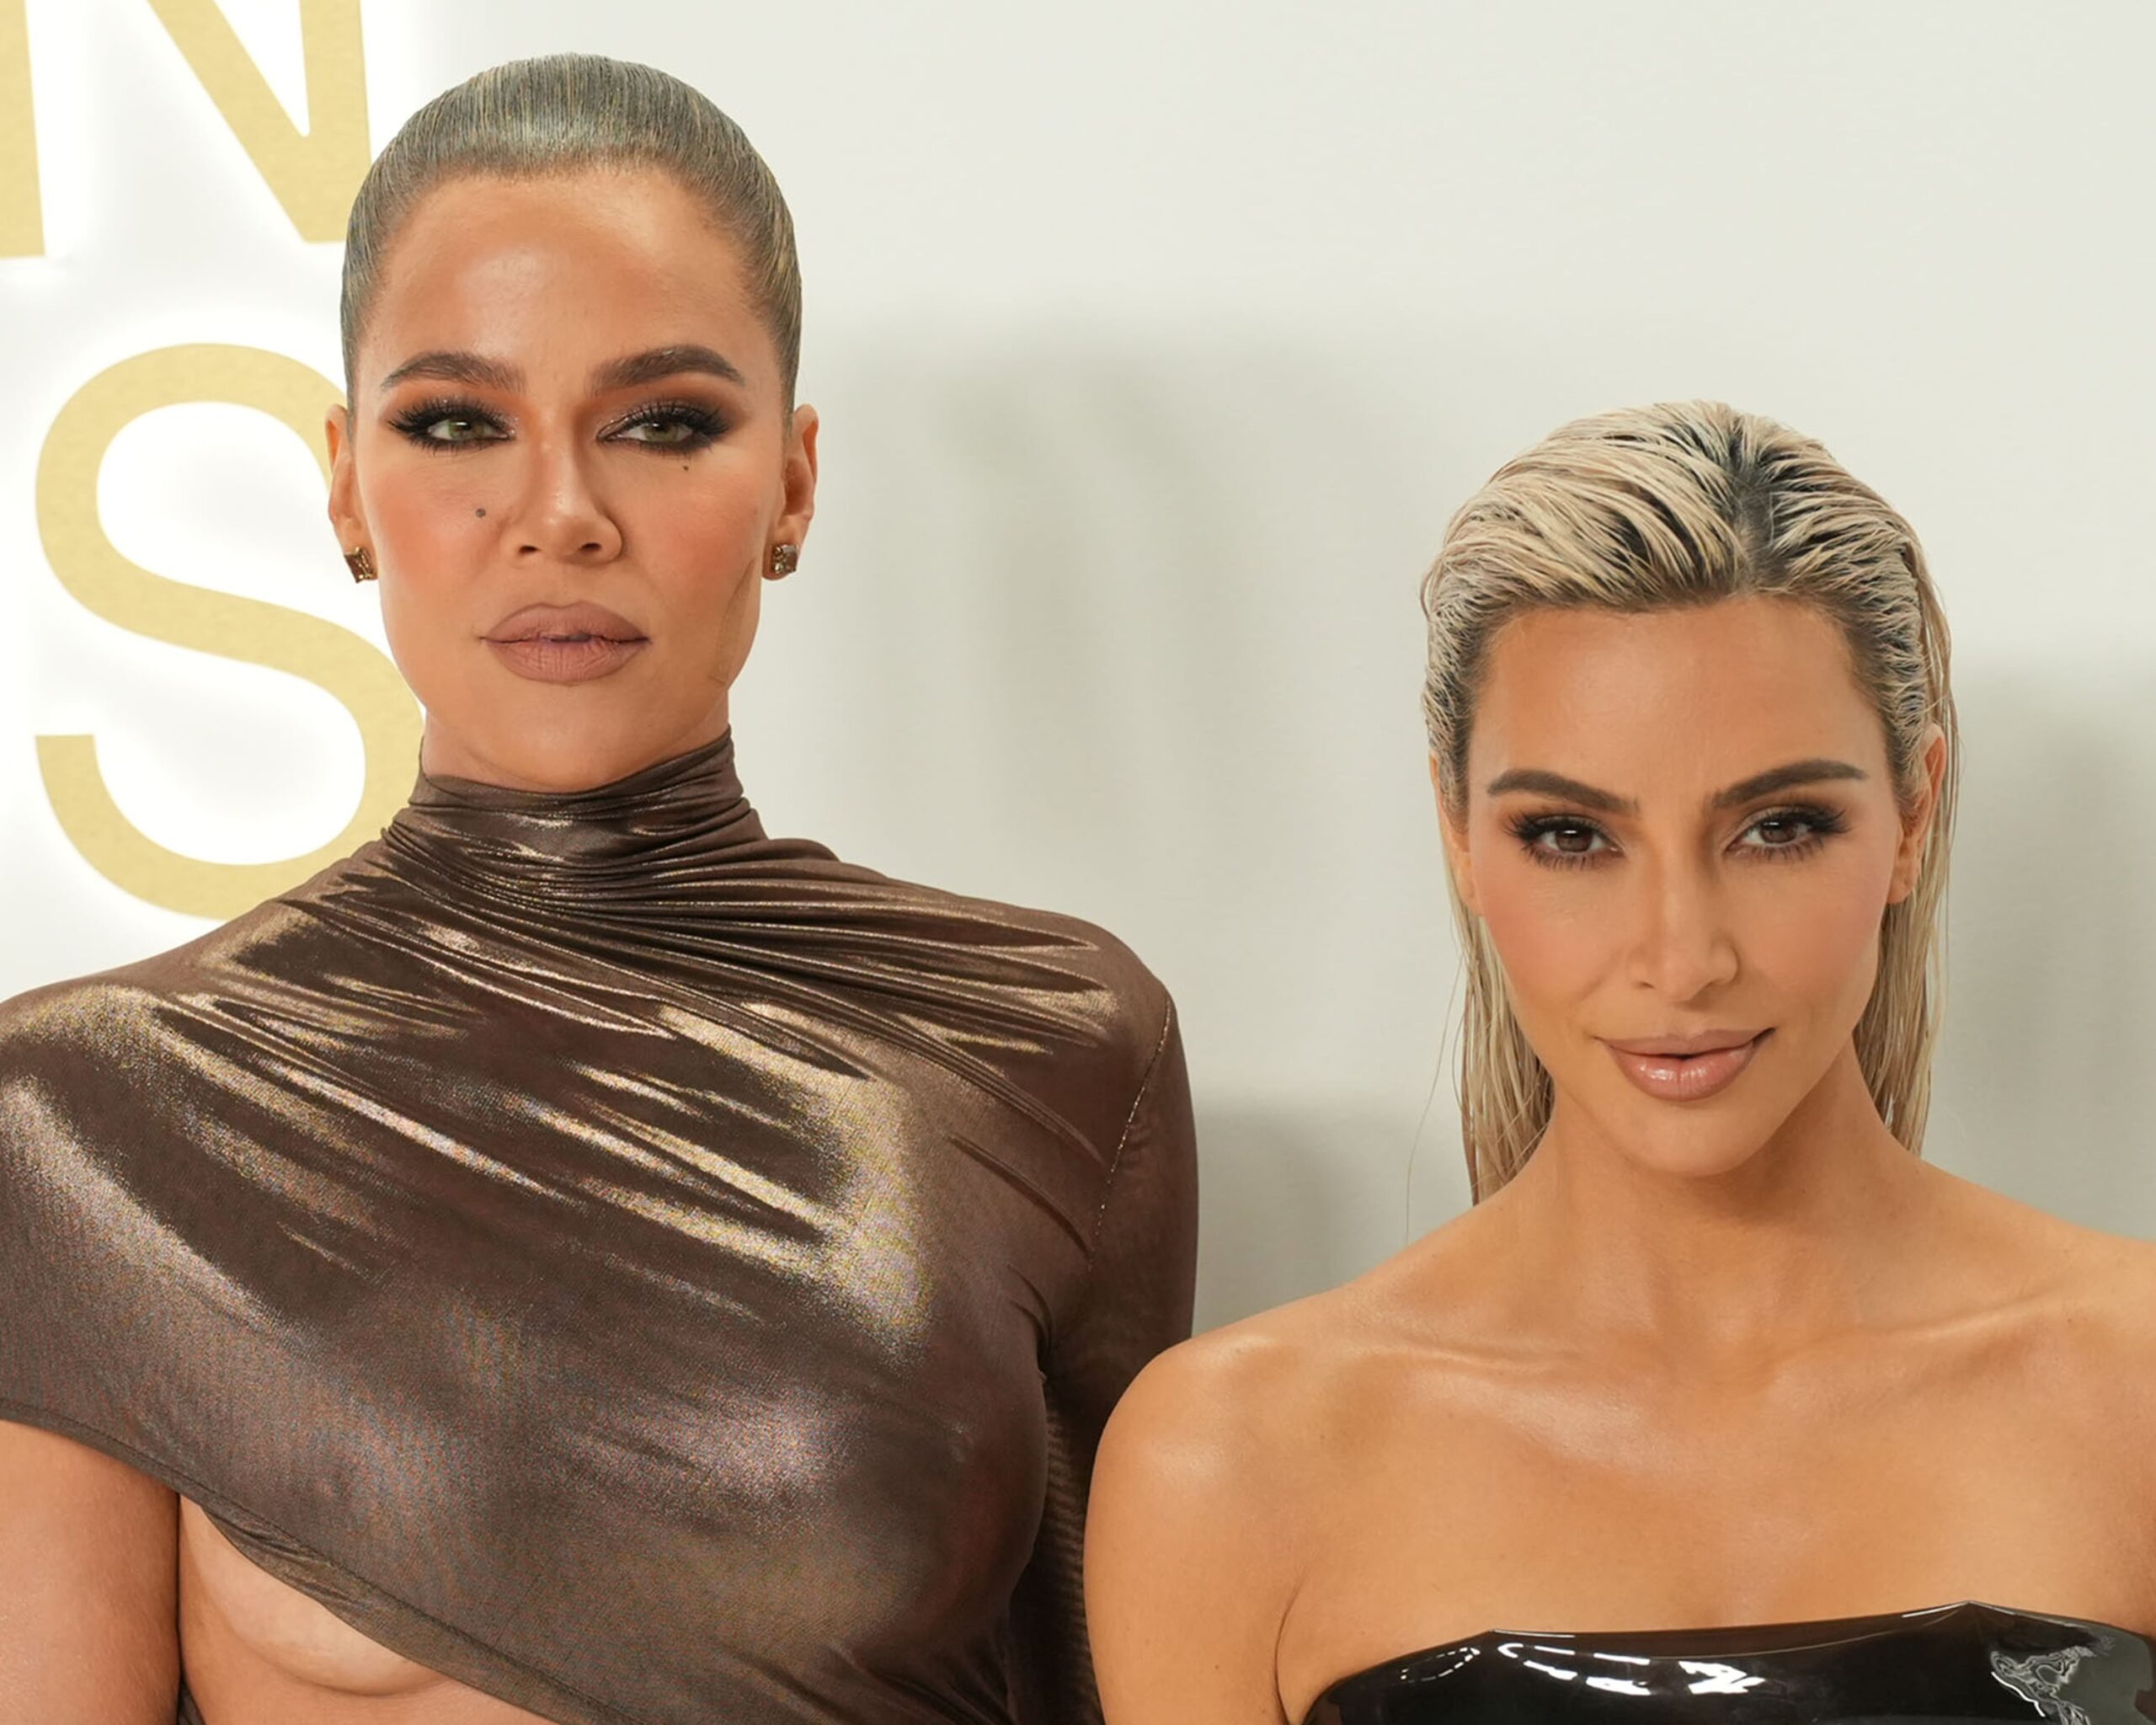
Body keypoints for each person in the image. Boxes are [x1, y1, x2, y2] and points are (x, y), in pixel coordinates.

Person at [0, 54, 1197, 1725]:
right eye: (457, 423)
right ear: (344, 481)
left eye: (663, 424)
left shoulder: (1050, 1046)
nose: (558, 517)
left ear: (792, 480)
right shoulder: (86, 1118)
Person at [1084, 402, 2156, 1724]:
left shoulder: (2134, 1385)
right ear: (1459, 833)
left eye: (1779, 827)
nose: (1681, 958)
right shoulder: (1234, 1459)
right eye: (1573, 837)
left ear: (1913, 815)